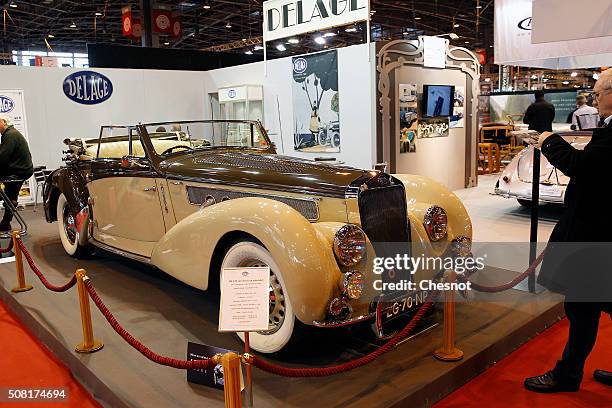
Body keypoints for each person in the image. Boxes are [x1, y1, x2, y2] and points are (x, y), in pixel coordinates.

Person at [523, 69, 612, 393]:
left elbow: (584, 168)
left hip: (597, 233)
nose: (595, 100)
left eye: (598, 94)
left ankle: (568, 374)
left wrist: (548, 141)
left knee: (582, 306)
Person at [0, 115, 33, 232]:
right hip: (20, 170)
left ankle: (5, 223)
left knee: (9, 196)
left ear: (4, 122)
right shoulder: (11, 134)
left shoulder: (10, 135)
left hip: (18, 171)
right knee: (10, 196)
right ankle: (5, 223)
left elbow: (3, 158)